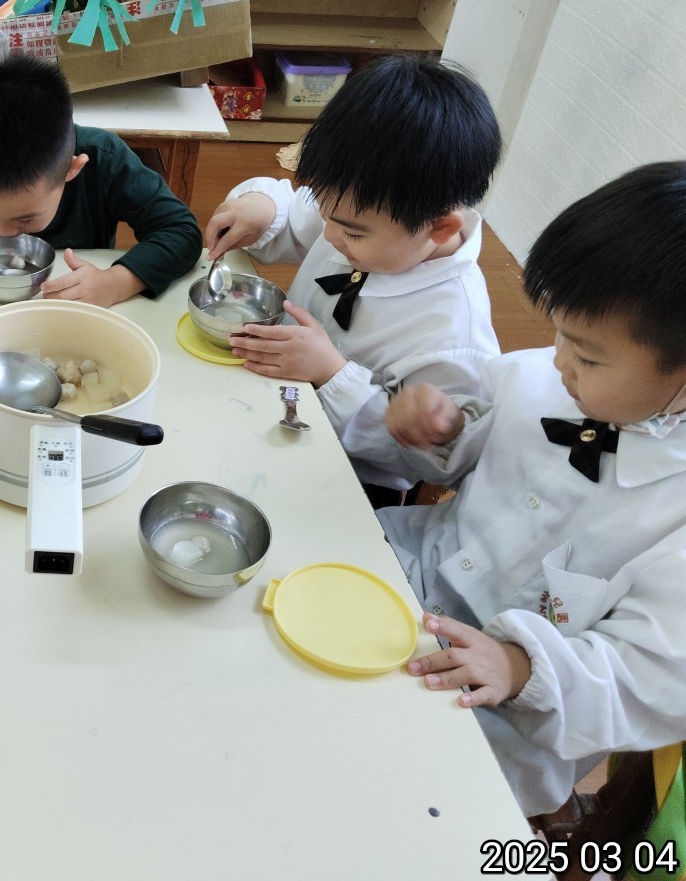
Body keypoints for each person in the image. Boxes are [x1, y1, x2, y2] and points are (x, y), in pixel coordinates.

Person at [378, 161, 686, 819]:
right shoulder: (539, 378)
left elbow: (648, 678)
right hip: (403, 572)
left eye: (588, 356)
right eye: (560, 335)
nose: (559, 362)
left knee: (381, 794)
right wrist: (444, 430)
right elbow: (463, 458)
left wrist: (521, 667)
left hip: (503, 718)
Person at [203, 54, 503, 506]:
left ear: (441, 228)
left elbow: (432, 462)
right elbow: (295, 214)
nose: (329, 236)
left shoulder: (454, 334)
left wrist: (331, 375)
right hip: (273, 403)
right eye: (326, 215)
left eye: (352, 233)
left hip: (348, 479)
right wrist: (262, 207)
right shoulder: (360, 214)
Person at [0, 56, 202, 307]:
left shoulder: (104, 160)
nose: (4, 232)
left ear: (72, 169)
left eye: (27, 219)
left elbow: (181, 231)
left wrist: (115, 283)